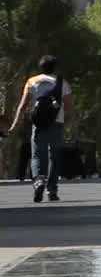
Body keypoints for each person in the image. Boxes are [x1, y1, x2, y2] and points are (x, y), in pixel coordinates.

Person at [9, 55, 73, 203]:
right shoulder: (62, 83)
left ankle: (38, 181)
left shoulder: (32, 81)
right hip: (57, 122)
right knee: (55, 156)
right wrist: (69, 125)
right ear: (55, 67)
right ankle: (52, 190)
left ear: (41, 67)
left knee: (37, 154)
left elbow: (23, 105)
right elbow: (69, 108)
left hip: (38, 123)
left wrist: (15, 124)